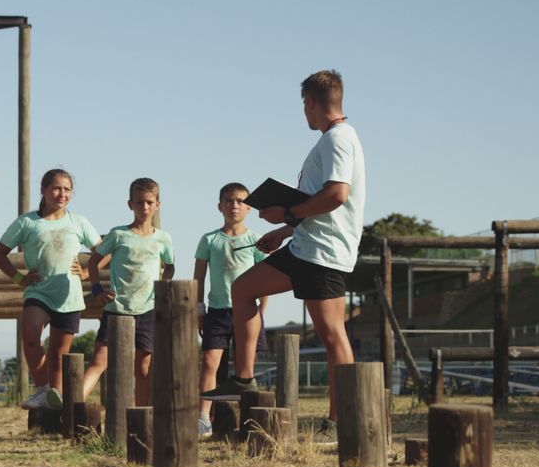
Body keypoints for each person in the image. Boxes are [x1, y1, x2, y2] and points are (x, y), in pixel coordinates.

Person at [200, 69, 366, 443]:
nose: (303, 113)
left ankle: (341, 420)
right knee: (243, 289)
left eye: (303, 106)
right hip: (302, 245)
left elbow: (338, 195)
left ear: (311, 103)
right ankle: (243, 378)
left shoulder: (338, 140)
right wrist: (284, 230)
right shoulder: (330, 140)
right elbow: (321, 203)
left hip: (323, 254)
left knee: (332, 335)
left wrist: (287, 214)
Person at [0, 167, 102, 410]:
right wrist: (19, 279)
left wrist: (86, 273)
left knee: (58, 355)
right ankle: (43, 389)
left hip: (68, 294)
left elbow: (102, 251)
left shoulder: (79, 222)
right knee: (30, 334)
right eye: (56, 188)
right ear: (43, 190)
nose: (62, 194)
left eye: (67, 190)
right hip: (38, 291)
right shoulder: (27, 222)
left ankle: (56, 402)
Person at [83, 178, 174, 407]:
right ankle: (70, 405)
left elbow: (170, 266)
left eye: (149, 202)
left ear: (157, 205)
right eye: (139, 202)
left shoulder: (163, 238)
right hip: (117, 308)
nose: (144, 207)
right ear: (130, 204)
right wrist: (97, 290)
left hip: (147, 309)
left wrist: (163, 288)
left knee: (143, 368)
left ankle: (140, 417)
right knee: (99, 361)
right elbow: (93, 263)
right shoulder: (118, 235)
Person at [194, 182, 269, 437]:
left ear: (248, 207)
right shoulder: (209, 239)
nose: (234, 205)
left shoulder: (256, 240)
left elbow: (265, 281)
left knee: (244, 368)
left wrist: (260, 314)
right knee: (209, 362)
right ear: (219, 206)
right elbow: (199, 278)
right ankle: (203, 417)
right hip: (217, 311)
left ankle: (244, 419)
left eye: (239, 200)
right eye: (228, 200)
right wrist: (199, 310)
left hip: (248, 313)